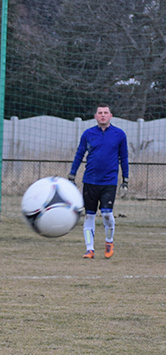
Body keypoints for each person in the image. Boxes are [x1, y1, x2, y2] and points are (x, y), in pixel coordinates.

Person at [69, 103, 129, 259]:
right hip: (90, 181)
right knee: (89, 215)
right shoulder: (88, 134)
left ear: (111, 116)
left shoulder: (119, 134)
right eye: (100, 113)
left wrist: (125, 179)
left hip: (109, 181)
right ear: (95, 116)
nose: (103, 115)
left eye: (106, 112)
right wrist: (72, 174)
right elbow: (79, 154)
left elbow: (124, 158)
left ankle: (109, 241)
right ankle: (90, 250)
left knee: (107, 213)